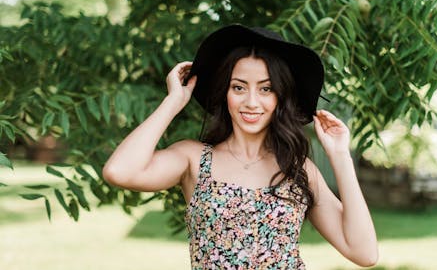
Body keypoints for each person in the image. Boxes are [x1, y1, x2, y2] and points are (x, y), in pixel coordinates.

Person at [103, 24, 378, 269]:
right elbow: (120, 171)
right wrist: (173, 101)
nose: (251, 102)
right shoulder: (193, 159)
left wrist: (340, 155)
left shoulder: (297, 169)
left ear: (280, 98)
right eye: (239, 87)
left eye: (266, 89)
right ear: (225, 92)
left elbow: (364, 254)